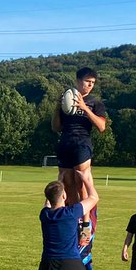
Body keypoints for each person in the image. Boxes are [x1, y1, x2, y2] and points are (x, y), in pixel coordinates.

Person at [52, 67, 108, 206]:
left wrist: (84, 108)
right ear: (78, 81)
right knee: (68, 183)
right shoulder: (67, 99)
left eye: (93, 82)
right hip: (65, 143)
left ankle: (85, 221)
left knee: (81, 181)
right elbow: (56, 127)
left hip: (82, 143)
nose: (90, 85)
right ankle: (74, 219)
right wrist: (57, 107)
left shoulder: (95, 103)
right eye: (87, 81)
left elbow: (101, 127)